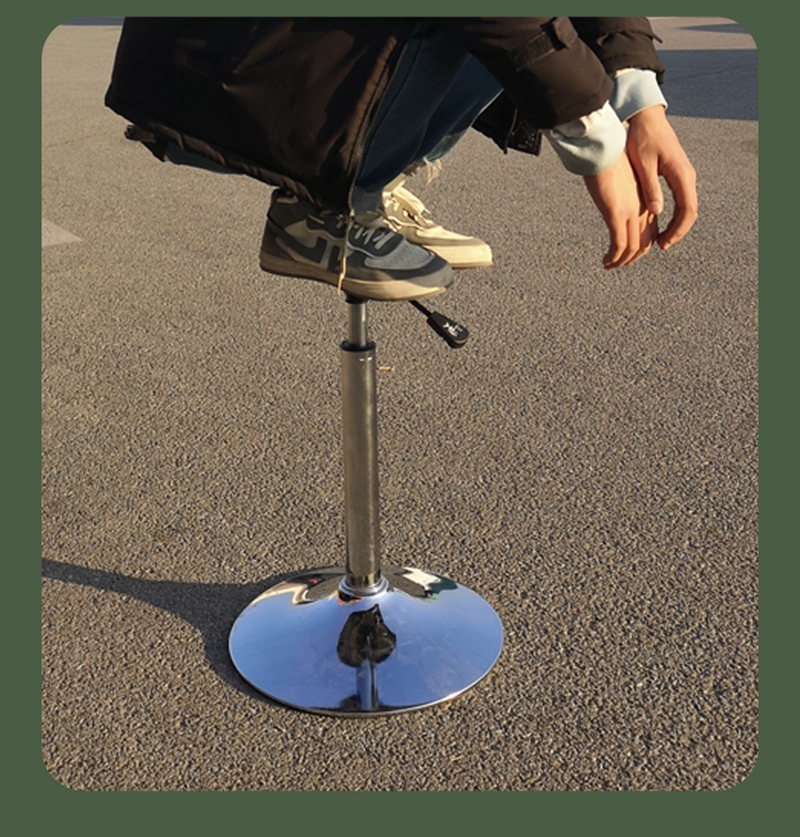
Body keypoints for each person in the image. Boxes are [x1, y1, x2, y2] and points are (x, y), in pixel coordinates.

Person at [105, 17, 697, 301]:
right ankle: (326, 210)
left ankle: (369, 188)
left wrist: (639, 99)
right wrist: (596, 141)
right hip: (219, 70)